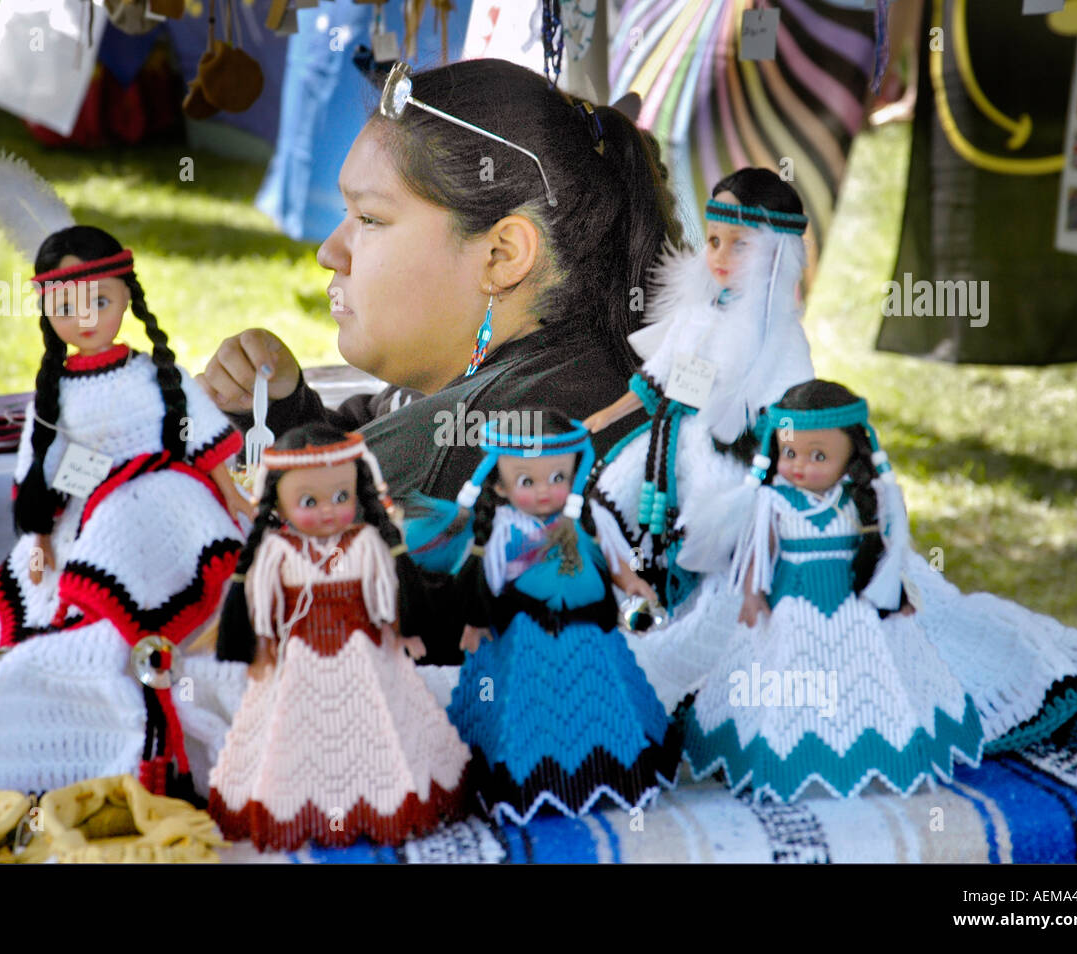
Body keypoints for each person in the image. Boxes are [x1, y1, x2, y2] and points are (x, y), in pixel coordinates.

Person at [198, 57, 684, 505]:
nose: (330, 253)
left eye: (369, 219)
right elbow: (372, 429)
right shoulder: (567, 366)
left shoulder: (456, 454)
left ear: (502, 256)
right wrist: (280, 413)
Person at [0, 222, 250, 801]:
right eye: (68, 306)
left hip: (170, 511)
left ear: (127, 297)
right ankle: (68, 713)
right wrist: (40, 538)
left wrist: (237, 496)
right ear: (47, 311)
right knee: (44, 606)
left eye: (101, 300)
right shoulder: (55, 397)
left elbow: (208, 441)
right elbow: (36, 477)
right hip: (81, 523)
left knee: (176, 585)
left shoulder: (155, 376)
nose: (88, 317)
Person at [682, 380, 1077, 802]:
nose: (799, 465)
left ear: (851, 455)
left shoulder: (860, 503)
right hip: (791, 612)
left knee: (862, 683)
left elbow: (885, 555)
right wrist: (753, 594)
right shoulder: (773, 502)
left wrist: (897, 593)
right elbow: (760, 553)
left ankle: (860, 749)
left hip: (851, 610)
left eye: (818, 456)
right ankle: (789, 756)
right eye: (790, 452)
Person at [405, 410, 679, 824]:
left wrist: (631, 583)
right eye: (527, 482)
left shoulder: (587, 518)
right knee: (520, 710)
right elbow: (485, 584)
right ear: (499, 484)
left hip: (588, 636)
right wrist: (477, 624)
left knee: (597, 703)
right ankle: (531, 776)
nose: (545, 492)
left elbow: (615, 560)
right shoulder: (498, 530)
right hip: (520, 639)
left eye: (558, 478)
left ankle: (600, 768)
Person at [207, 424, 469, 850]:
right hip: (297, 660)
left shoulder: (365, 542)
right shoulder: (276, 551)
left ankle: (378, 798)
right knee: (290, 736)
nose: (329, 510)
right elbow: (266, 606)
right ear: (279, 501)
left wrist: (400, 631)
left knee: (380, 726)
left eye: (341, 497)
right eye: (310, 501)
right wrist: (263, 646)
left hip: (366, 653)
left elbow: (382, 594)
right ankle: (304, 804)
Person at [583, 167, 814, 612]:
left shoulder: (779, 334)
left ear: (775, 254)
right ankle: (636, 591)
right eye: (713, 241)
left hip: (733, 449)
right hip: (667, 439)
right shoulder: (696, 314)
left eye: (740, 244)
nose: (721, 256)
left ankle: (706, 608)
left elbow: (792, 404)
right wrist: (609, 414)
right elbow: (661, 373)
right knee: (610, 493)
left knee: (706, 527)